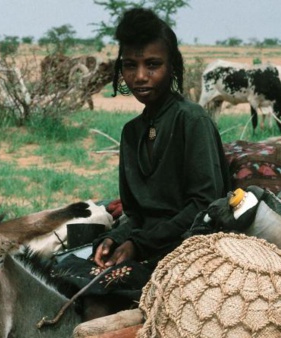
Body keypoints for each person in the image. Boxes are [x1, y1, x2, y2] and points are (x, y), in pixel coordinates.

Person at [92, 8, 230, 270]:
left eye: (152, 64)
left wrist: (138, 245)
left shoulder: (192, 120)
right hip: (144, 244)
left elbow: (204, 205)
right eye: (130, 65)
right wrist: (115, 238)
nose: (140, 76)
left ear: (172, 66)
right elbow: (135, 214)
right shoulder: (131, 133)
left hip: (192, 246)